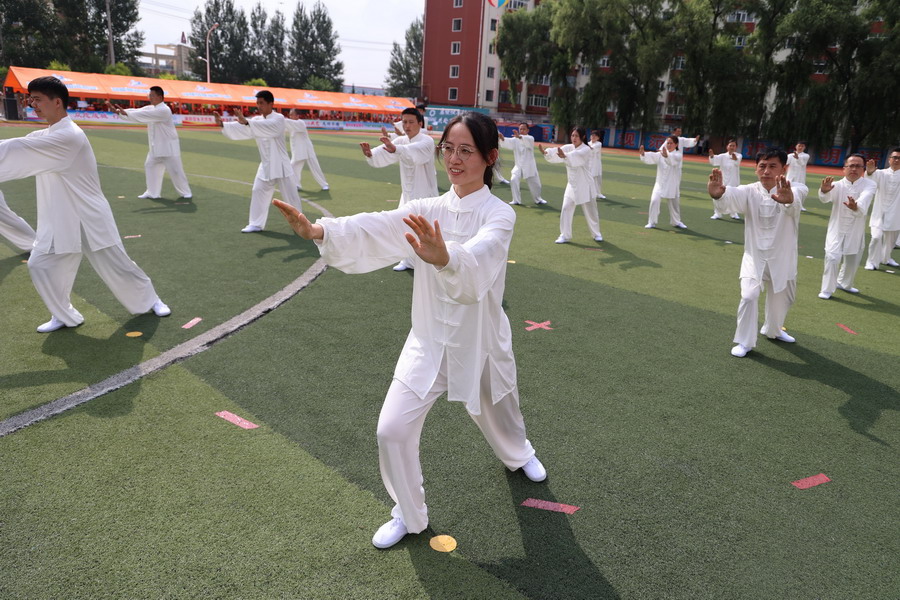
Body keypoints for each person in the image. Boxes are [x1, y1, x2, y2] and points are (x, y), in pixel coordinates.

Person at [273, 112, 546, 550]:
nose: (454, 160)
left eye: (466, 151)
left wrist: (445, 257)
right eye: (449, 150)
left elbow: (481, 257)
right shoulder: (428, 209)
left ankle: (520, 454)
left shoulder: (500, 214)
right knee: (391, 430)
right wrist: (321, 229)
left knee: (500, 410)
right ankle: (409, 513)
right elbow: (378, 224)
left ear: (490, 157)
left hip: (479, 340)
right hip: (428, 339)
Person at [0, 76, 170, 332]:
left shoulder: (68, 136)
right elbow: (18, 146)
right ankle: (65, 315)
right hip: (61, 218)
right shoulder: (48, 133)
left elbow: (15, 149)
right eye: (30, 98)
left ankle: (151, 300)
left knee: (117, 265)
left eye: (37, 99)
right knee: (40, 264)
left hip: (88, 216)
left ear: (57, 102)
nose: (31, 103)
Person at [707, 147, 808, 358]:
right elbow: (729, 198)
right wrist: (718, 195)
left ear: (784, 168)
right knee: (749, 295)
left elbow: (795, 201)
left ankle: (774, 330)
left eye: (773, 166)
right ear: (756, 170)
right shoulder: (748, 190)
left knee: (783, 299)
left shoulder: (797, 188)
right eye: (762, 166)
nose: (767, 171)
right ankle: (744, 341)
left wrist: (788, 199)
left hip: (783, 257)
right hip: (755, 256)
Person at [213, 90, 303, 233]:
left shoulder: (279, 119)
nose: (259, 106)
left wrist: (247, 122)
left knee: (291, 197)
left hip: (281, 165)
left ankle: (300, 224)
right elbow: (243, 128)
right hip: (266, 165)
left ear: (270, 104)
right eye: (257, 103)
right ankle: (255, 224)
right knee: (258, 191)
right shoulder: (256, 120)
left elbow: (267, 128)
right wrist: (223, 124)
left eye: (262, 103)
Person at [360, 107, 439, 271]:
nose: (407, 126)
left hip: (426, 195)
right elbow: (385, 151)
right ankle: (408, 261)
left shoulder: (426, 140)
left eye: (411, 122)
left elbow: (414, 154)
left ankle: (431, 262)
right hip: (408, 194)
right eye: (404, 122)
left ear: (419, 123)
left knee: (426, 229)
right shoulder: (402, 140)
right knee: (404, 225)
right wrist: (370, 154)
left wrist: (397, 149)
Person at [107, 86, 192, 200]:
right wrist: (119, 112)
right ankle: (152, 193)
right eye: (149, 95)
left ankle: (185, 192)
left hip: (169, 147)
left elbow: (142, 115)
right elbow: (139, 111)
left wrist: (125, 113)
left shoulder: (164, 110)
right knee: (150, 166)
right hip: (155, 147)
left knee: (176, 171)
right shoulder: (152, 108)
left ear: (160, 97)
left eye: (152, 96)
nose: (149, 98)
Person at [816, 154, 876, 299]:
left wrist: (856, 206)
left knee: (853, 258)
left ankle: (845, 283)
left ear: (863, 169)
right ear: (844, 169)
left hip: (856, 229)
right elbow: (825, 199)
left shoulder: (870, 184)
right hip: (836, 228)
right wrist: (824, 191)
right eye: (851, 165)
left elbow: (865, 198)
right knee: (832, 257)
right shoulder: (836, 185)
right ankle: (827, 289)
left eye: (858, 166)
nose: (854, 169)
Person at [540, 127, 603, 243]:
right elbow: (557, 150)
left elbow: (575, 156)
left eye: (576, 136)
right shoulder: (569, 147)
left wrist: (565, 156)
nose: (574, 138)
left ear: (583, 137)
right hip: (572, 184)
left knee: (591, 212)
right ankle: (565, 235)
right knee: (566, 208)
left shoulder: (586, 150)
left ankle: (596, 234)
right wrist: (547, 152)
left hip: (586, 184)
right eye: (572, 135)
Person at [639, 136, 687, 229]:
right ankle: (651, 222)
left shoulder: (678, 155)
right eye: (667, 143)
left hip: (672, 184)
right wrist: (644, 154)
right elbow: (653, 156)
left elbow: (672, 161)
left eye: (671, 143)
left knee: (674, 205)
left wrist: (666, 156)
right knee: (654, 200)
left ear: (676, 144)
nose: (668, 145)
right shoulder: (660, 154)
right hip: (659, 183)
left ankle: (676, 222)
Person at [863, 147, 900, 270]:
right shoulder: (880, 173)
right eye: (894, 157)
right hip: (879, 212)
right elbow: (869, 181)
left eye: (899, 158)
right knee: (876, 237)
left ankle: (886, 258)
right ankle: (871, 261)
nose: (897, 160)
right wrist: (869, 171)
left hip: (896, 214)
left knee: (890, 241)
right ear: (889, 159)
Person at [498, 123, 546, 206]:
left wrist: (519, 137)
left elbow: (526, 140)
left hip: (529, 166)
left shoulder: (530, 138)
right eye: (520, 129)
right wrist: (502, 139)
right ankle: (516, 200)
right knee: (513, 179)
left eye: (524, 129)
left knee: (536, 185)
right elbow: (507, 141)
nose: (522, 130)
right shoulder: (515, 140)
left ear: (528, 130)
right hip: (518, 166)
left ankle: (538, 199)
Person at [286, 108, 329, 192]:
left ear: (297, 115)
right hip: (298, 152)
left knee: (315, 167)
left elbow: (287, 122)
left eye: (292, 114)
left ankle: (324, 184)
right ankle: (296, 184)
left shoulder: (300, 123)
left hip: (307, 150)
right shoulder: (291, 125)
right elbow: (283, 127)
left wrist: (278, 118)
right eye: (290, 114)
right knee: (293, 167)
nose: (290, 116)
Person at [708, 140, 742, 220]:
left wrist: (734, 158)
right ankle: (717, 213)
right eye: (730, 145)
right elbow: (714, 161)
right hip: (722, 179)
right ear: (727, 146)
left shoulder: (739, 155)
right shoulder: (722, 156)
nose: (732, 147)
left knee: (733, 197)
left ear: (736, 147)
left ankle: (733, 213)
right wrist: (712, 156)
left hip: (733, 180)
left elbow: (737, 162)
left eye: (733, 146)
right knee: (718, 196)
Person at [786, 142, 810, 211]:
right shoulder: (790, 155)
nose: (800, 147)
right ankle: (787, 203)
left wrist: (797, 158)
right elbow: (786, 163)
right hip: (790, 175)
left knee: (800, 190)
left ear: (804, 148)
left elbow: (802, 163)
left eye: (802, 146)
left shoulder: (806, 156)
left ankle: (800, 206)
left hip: (800, 176)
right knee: (788, 189)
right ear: (796, 146)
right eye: (799, 146)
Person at [588, 130, 607, 199]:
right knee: (590, 178)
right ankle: (590, 193)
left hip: (596, 164)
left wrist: (584, 145)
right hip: (589, 164)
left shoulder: (598, 144)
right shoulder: (588, 143)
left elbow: (592, 149)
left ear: (598, 138)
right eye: (592, 135)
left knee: (598, 179)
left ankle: (598, 193)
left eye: (595, 136)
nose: (593, 137)